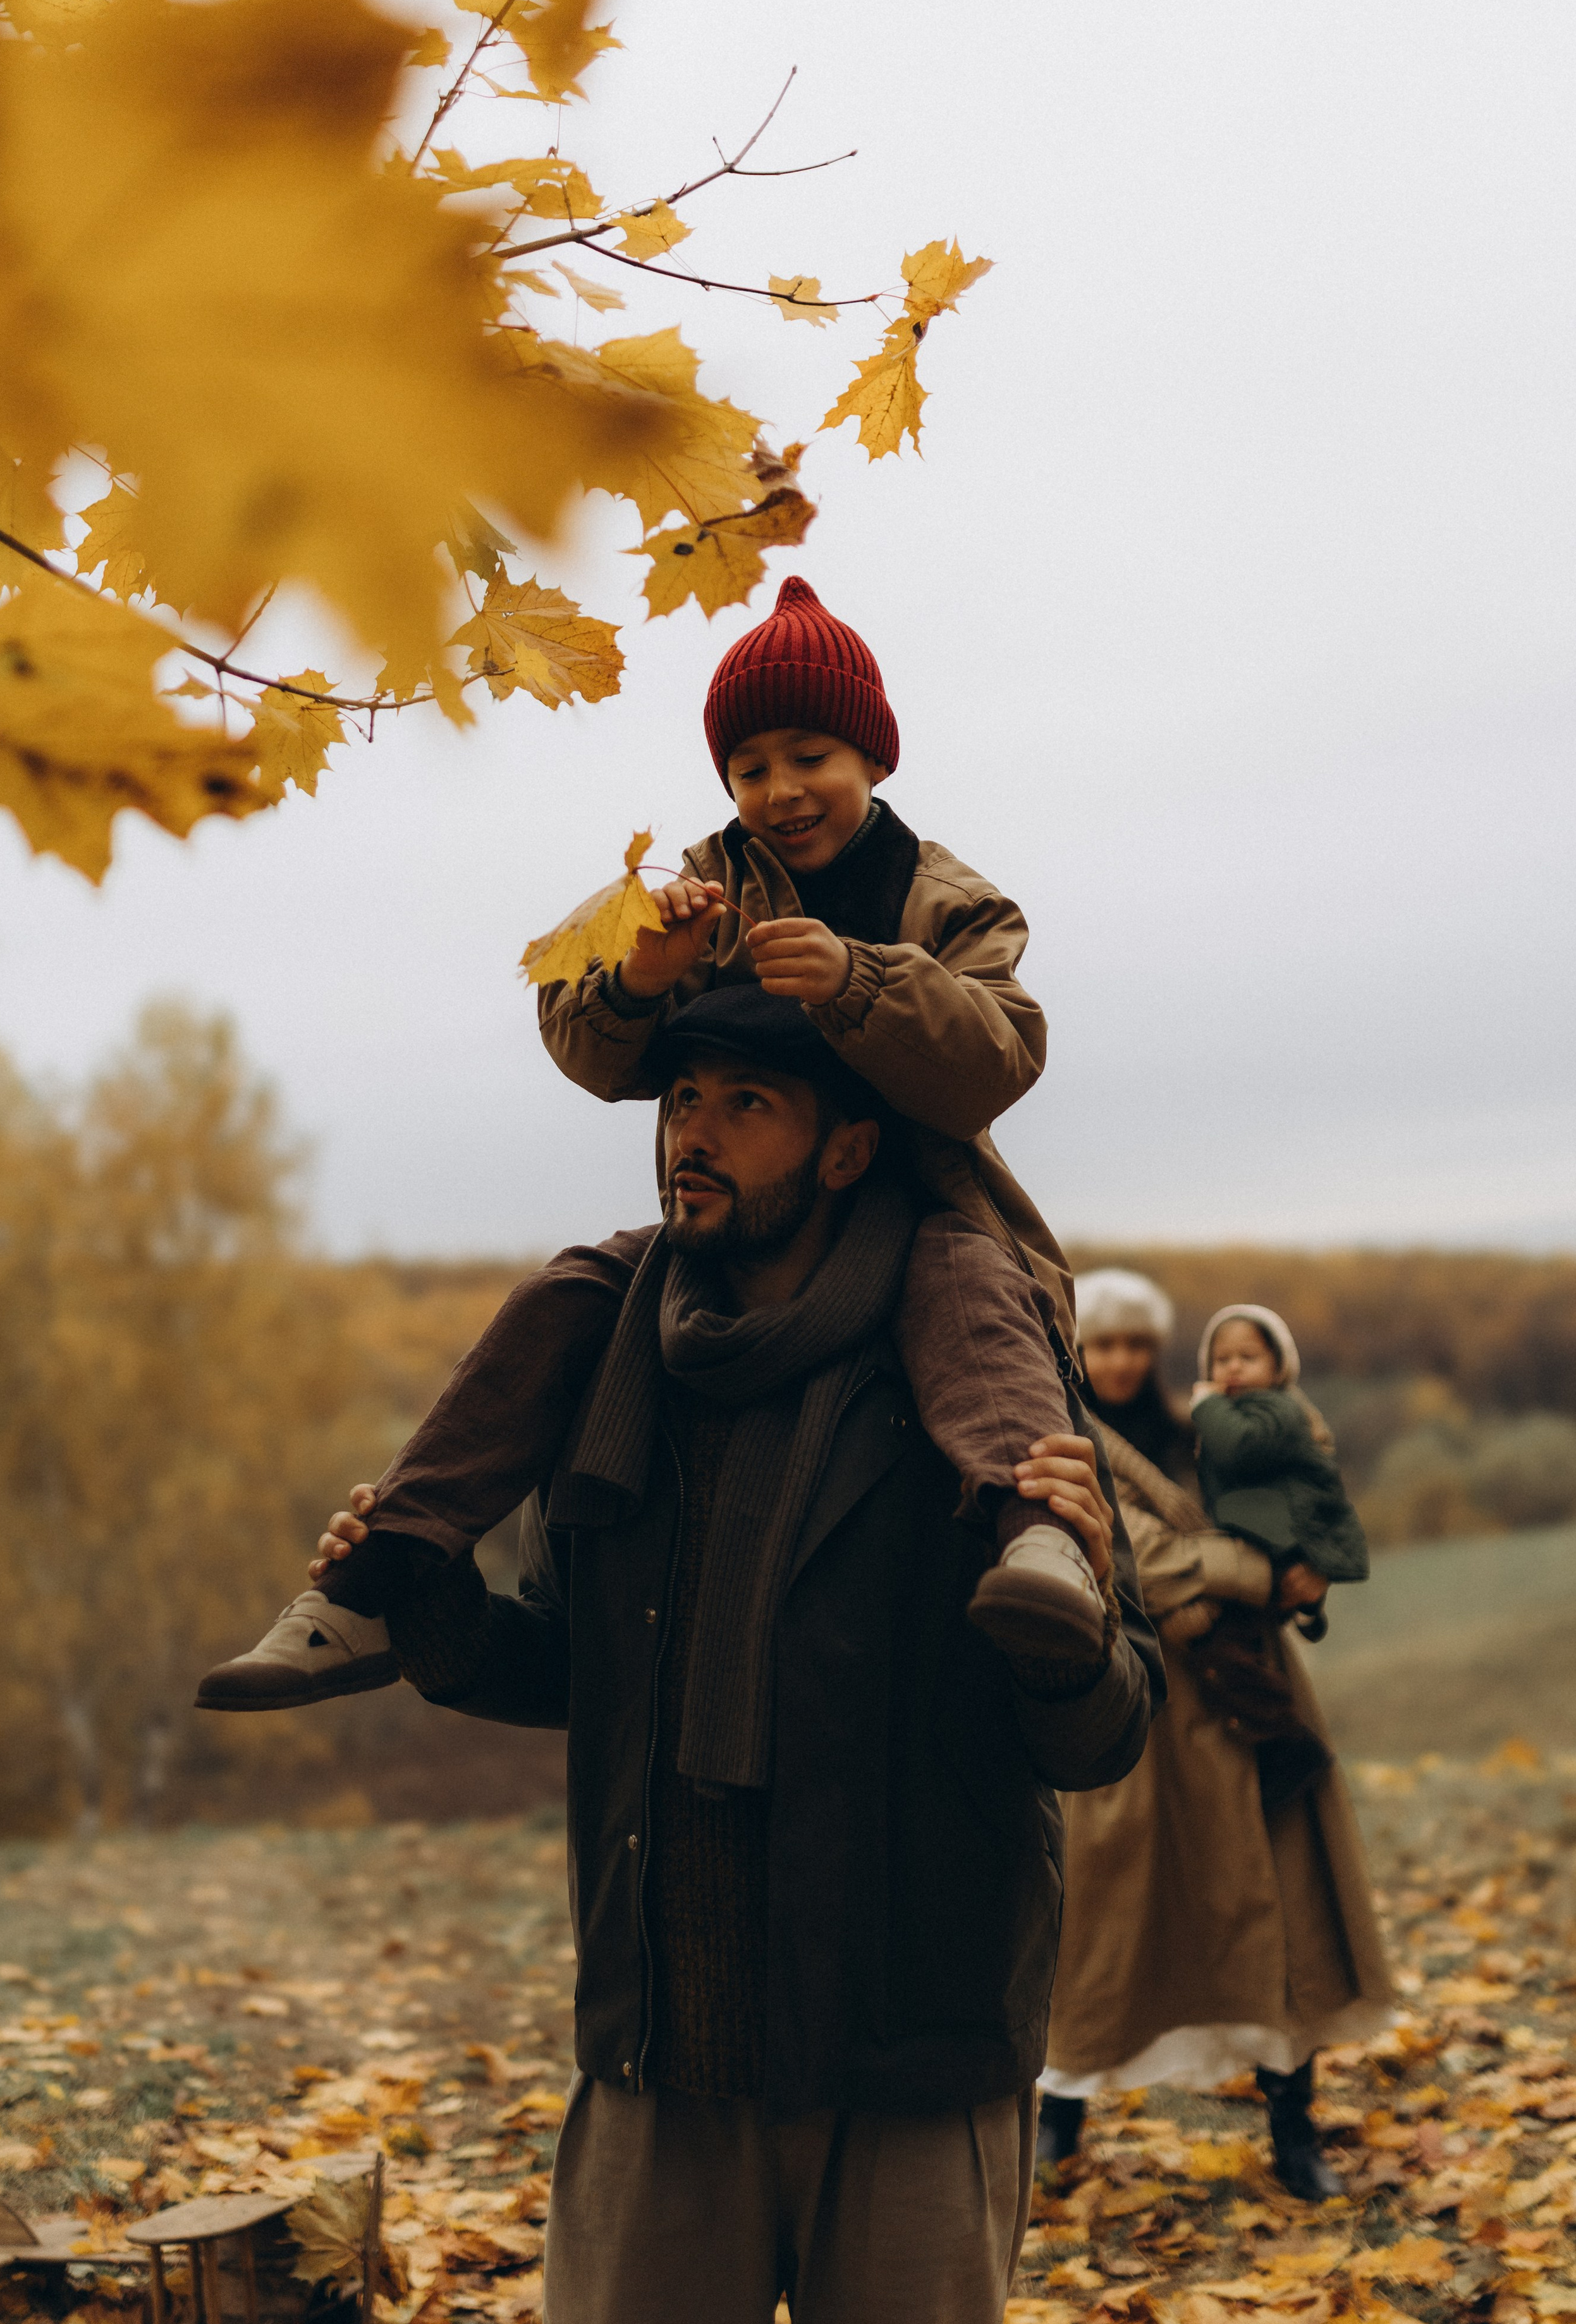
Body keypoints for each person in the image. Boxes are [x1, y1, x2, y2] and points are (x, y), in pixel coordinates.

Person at [248, 989, 1164, 2324]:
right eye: (683, 1100)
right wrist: (431, 1606)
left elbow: (1104, 1735)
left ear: (847, 1149)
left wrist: (1081, 1634)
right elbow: (574, 1664)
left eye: (747, 1104)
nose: (695, 1133)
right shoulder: (620, 1373)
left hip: (910, 2062)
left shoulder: (970, 1369)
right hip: (658, 2060)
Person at [200, 577, 1112, 1705]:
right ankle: (378, 1574)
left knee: (971, 1302)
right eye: (750, 768)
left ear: (875, 758)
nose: (781, 790)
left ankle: (1041, 1539)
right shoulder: (697, 889)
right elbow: (588, 1048)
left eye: (811, 756)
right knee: (570, 1294)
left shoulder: (948, 902)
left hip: (914, 1206)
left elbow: (997, 1059)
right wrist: (639, 979)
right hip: (735, 1218)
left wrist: (859, 980)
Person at [1018, 1269, 1393, 2202]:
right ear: (1078, 1349)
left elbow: (1284, 1504)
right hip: (1137, 1695)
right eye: (1103, 1344)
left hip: (1246, 1693)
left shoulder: (1205, 1430)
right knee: (1104, 1915)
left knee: (1280, 1899)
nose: (1119, 1361)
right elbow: (1130, 1558)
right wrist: (1251, 1571)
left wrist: (1303, 1565)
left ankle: (1292, 2123)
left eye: (1135, 1345)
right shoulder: (1060, 1436)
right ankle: (1061, 2113)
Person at [1192, 1304, 1371, 1599]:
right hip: (1258, 1543)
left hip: (1296, 1538)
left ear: (1278, 1367)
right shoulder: (1224, 1415)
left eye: (1248, 1357)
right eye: (1222, 1360)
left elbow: (1241, 1448)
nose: (1234, 1367)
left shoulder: (1281, 1409)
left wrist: (1206, 1405)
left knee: (1294, 1592)